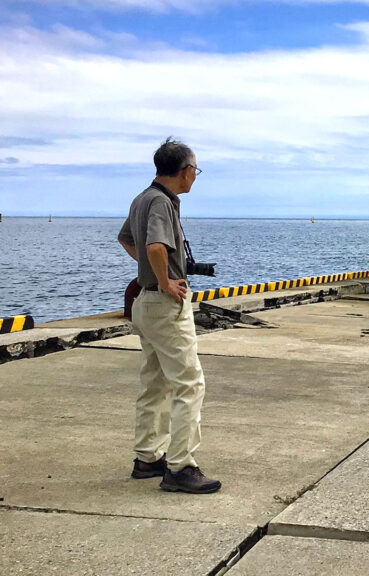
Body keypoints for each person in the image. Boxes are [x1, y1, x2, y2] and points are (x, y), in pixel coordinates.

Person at [117, 138, 221, 494]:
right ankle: (180, 466)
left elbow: (126, 239)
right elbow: (155, 246)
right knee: (189, 383)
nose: (196, 176)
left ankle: (147, 456)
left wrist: (149, 272)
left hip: (144, 304)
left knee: (154, 381)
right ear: (185, 170)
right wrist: (165, 282)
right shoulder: (162, 202)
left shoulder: (141, 198)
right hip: (162, 304)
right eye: (196, 170)